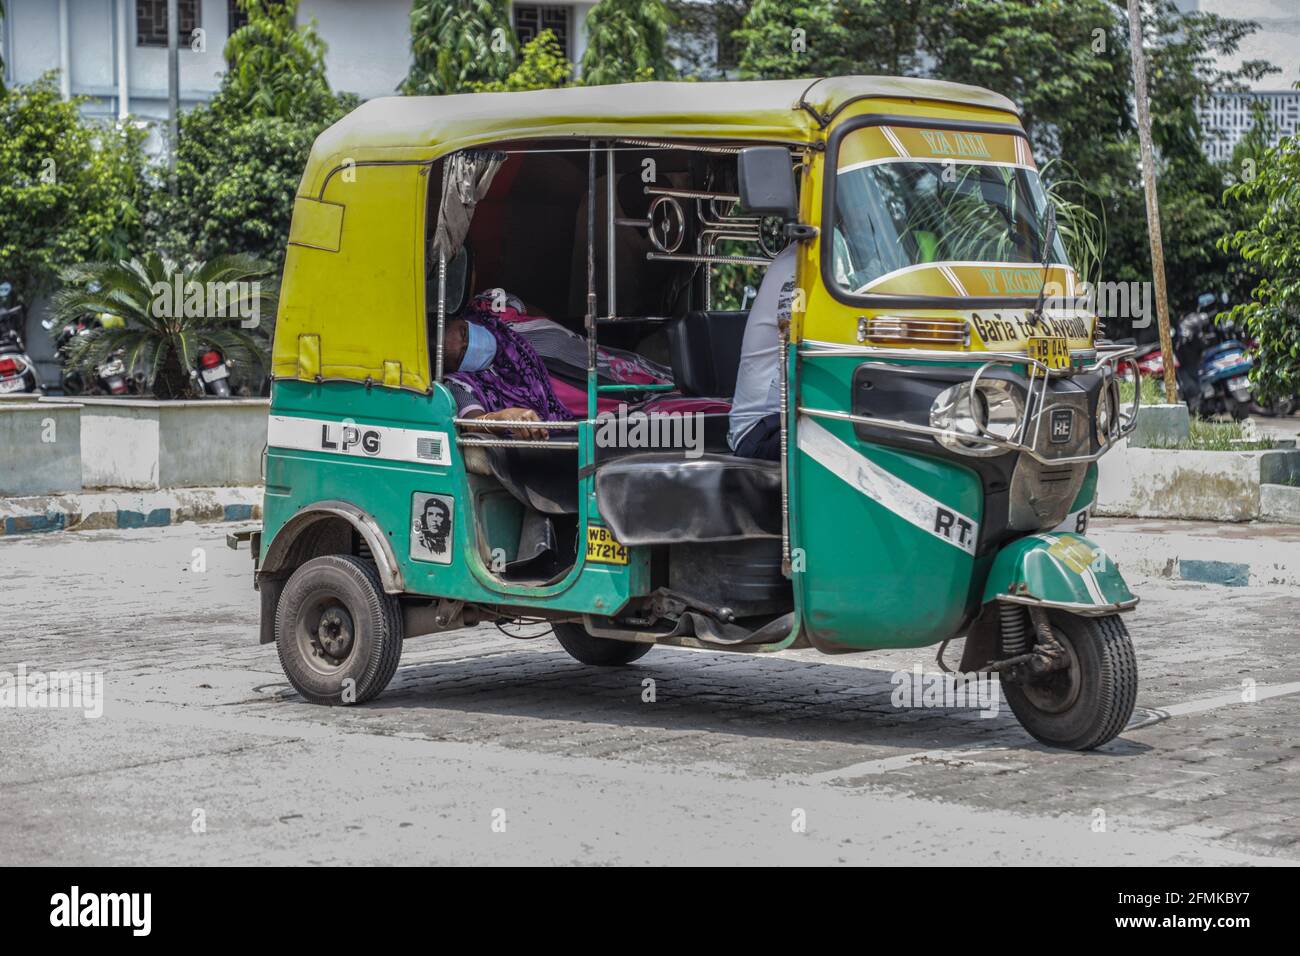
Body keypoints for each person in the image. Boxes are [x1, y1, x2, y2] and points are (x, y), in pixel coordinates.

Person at [728, 242, 797, 460]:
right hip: (762, 428)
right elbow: (798, 357)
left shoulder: (831, 254)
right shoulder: (799, 265)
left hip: (787, 417)